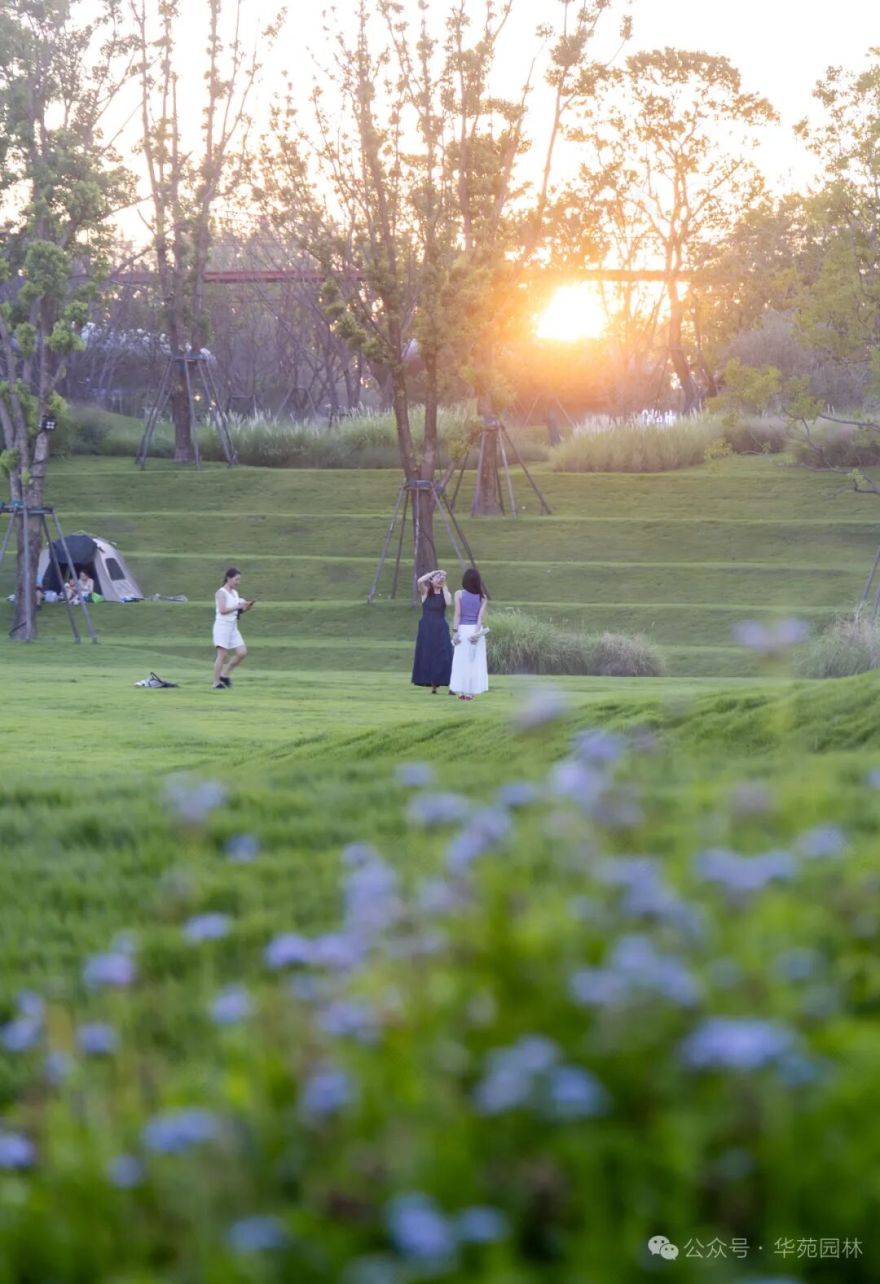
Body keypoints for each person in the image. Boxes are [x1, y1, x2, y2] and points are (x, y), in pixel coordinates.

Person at [411, 568, 454, 694]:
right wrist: (433, 573)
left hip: (440, 627)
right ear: (431, 580)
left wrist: (444, 584)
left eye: (441, 577)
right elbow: (419, 581)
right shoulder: (425, 592)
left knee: (444, 655)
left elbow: (448, 602)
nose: (439, 579)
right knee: (429, 654)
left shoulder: (445, 592)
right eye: (437, 577)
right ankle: (433, 685)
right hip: (427, 627)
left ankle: (451, 685)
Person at [450, 567, 489, 701]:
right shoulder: (483, 597)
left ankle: (461, 691)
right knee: (474, 662)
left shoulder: (458, 594)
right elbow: (480, 618)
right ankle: (470, 693)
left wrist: (455, 632)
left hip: (462, 630)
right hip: (475, 630)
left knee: (461, 661)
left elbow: (457, 614)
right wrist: (476, 634)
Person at [212, 566, 254, 689]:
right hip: (222, 626)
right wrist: (238, 606)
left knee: (242, 652)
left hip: (232, 627)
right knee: (222, 655)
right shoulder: (221, 593)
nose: (238, 582)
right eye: (236, 579)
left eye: (239, 580)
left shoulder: (235, 593)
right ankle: (216, 683)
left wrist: (246, 608)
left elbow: (237, 611)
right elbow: (223, 610)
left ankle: (224, 675)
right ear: (228, 578)